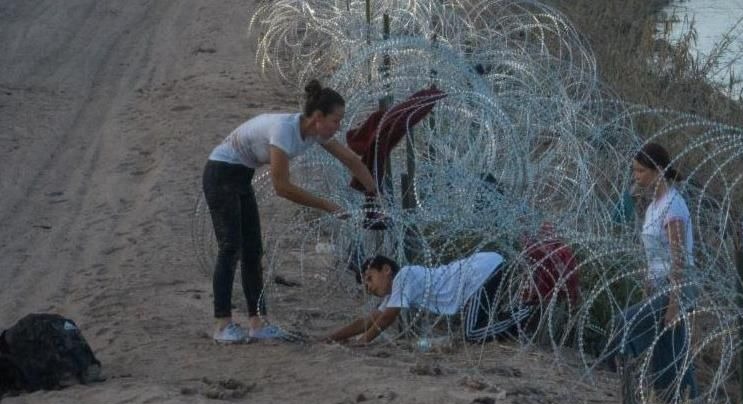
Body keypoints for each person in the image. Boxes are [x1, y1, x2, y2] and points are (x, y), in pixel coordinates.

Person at [203, 79, 377, 344]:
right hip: (221, 173)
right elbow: (282, 187)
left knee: (253, 251)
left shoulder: (316, 133)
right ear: (318, 117)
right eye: (336, 120)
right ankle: (222, 324)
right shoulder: (284, 131)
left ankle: (257, 323)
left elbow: (351, 159)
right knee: (231, 247)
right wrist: (329, 207)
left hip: (240, 176)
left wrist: (375, 195)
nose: (339, 126)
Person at [606, 142, 697, 403]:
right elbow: (655, 255)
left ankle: (625, 389)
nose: (636, 177)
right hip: (660, 286)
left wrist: (674, 304)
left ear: (657, 170)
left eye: (640, 171)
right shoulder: (653, 207)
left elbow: (679, 259)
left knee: (625, 322)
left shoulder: (673, 207)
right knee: (669, 355)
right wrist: (649, 283)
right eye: (634, 171)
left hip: (675, 286)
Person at [323, 252, 533, 344]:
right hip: (478, 274)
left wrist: (363, 341)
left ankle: (530, 310)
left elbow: (386, 319)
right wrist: (334, 336)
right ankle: (522, 316)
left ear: (386, 269)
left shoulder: (403, 276)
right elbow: (371, 319)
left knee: (473, 333)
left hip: (478, 273)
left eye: (369, 278)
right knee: (478, 326)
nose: (368, 287)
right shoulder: (396, 291)